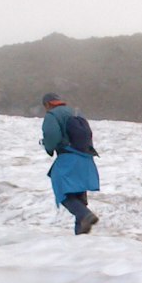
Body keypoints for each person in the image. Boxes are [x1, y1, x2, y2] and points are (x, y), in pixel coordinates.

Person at [40, 92, 99, 235]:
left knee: (62, 190)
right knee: (79, 191)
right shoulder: (76, 112)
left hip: (68, 157)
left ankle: (85, 215)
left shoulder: (52, 115)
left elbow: (52, 135)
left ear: (47, 104)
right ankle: (81, 232)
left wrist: (48, 147)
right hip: (86, 158)